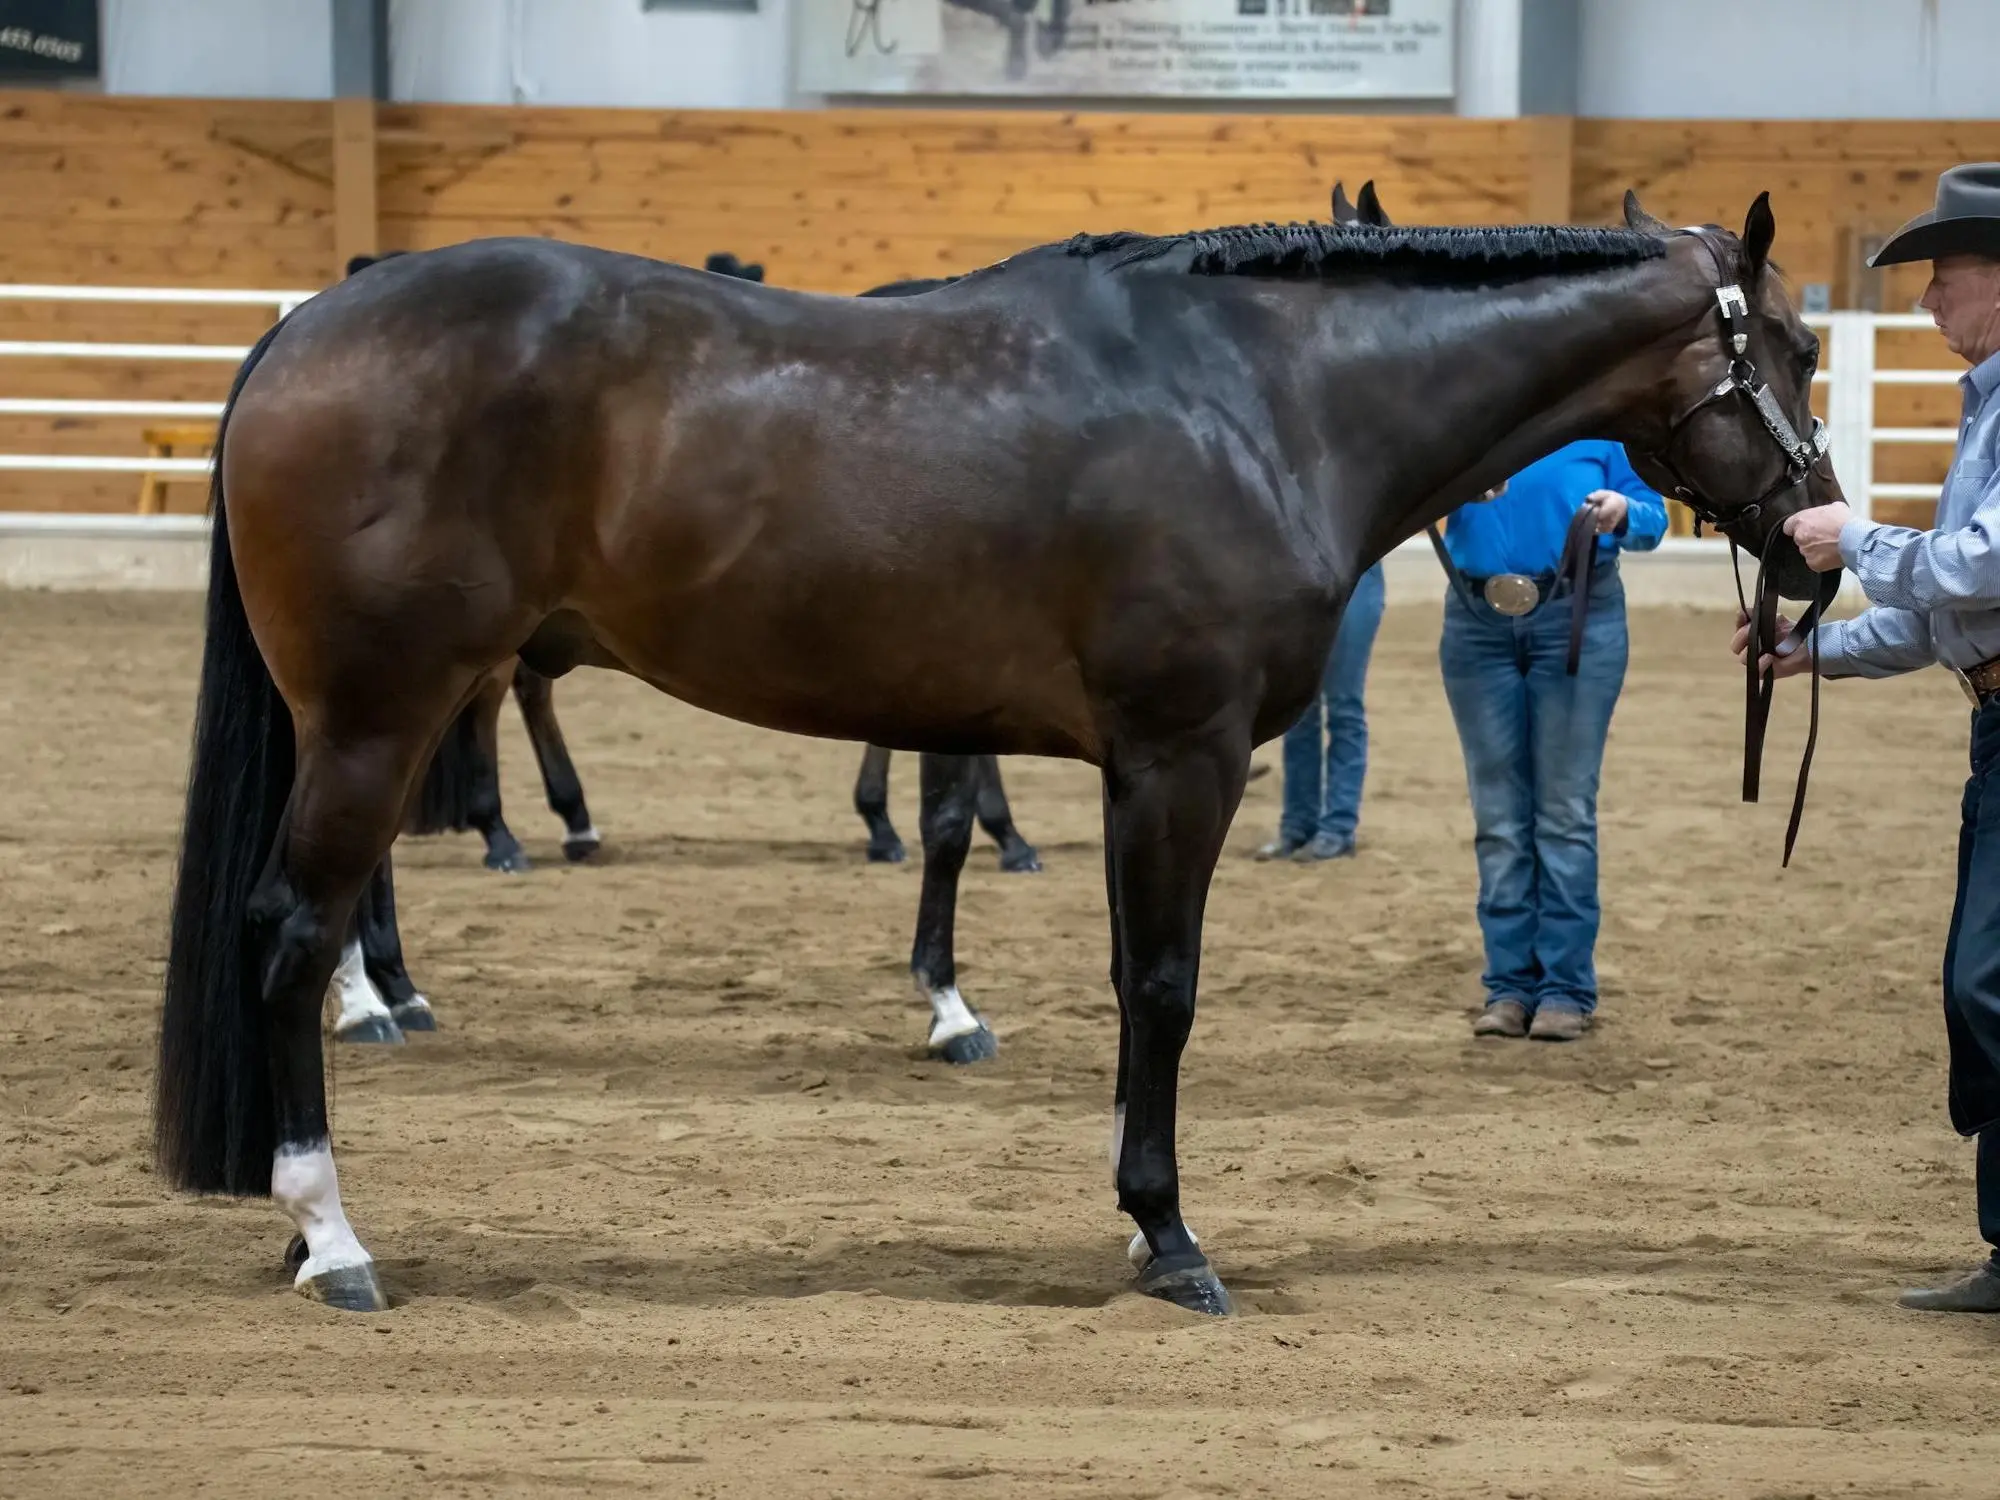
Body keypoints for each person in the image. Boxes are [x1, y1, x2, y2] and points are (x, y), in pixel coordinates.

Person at [1746, 162, 2000, 1313]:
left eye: (1942, 280)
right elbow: (1951, 612)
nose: (1925, 303)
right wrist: (1820, 653)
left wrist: (1853, 538)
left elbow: (1978, 563)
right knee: (1980, 985)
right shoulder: (1983, 403)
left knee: (1985, 984)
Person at [1440, 442, 1668, 1042]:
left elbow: (1654, 518)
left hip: (1576, 615)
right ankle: (1509, 986)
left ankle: (1564, 986)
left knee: (1563, 812)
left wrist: (1624, 510)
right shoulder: (1475, 416)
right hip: (1475, 619)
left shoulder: (1601, 430)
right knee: (1498, 818)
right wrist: (1452, 489)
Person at [1257, 562, 1387, 862]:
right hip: (1301, 579)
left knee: (1344, 708)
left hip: (1354, 575)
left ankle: (1338, 828)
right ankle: (1297, 825)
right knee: (1300, 711)